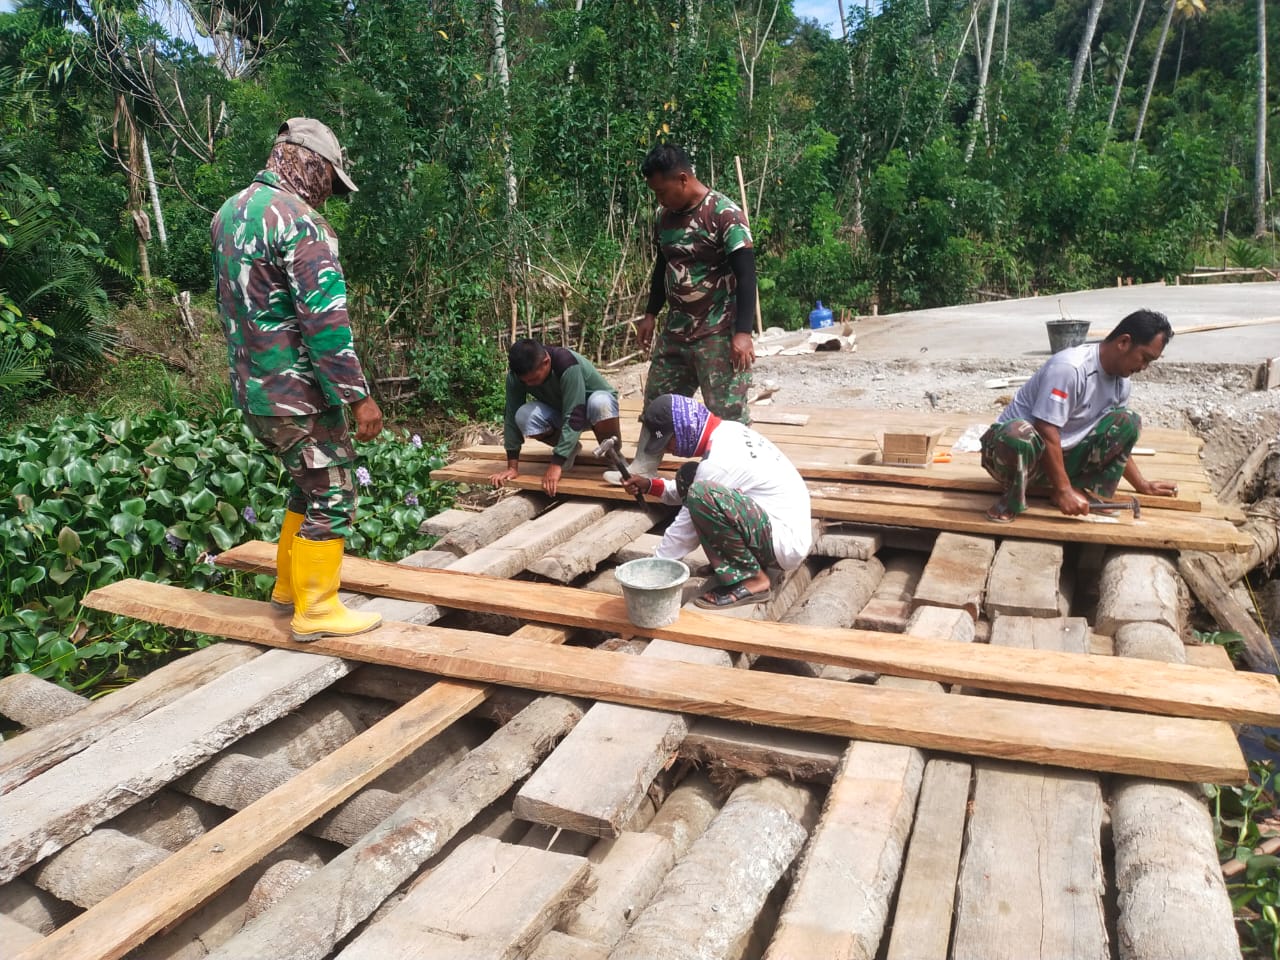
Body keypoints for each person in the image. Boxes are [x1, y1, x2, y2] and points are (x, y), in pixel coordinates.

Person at [211, 117, 383, 642]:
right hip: (298, 395)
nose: (328, 194)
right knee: (334, 493)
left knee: (307, 484)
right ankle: (318, 610)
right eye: (330, 179)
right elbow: (325, 325)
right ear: (311, 163)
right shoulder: (300, 222)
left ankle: (288, 592)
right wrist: (359, 399)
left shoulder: (230, 212)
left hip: (254, 390)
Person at [621, 144, 758, 480]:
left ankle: (740, 472)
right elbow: (661, 267)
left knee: (726, 409)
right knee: (658, 400)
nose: (658, 200)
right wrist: (651, 314)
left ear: (683, 179)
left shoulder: (724, 214)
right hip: (677, 330)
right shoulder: (663, 218)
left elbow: (746, 274)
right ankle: (644, 467)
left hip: (718, 330)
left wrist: (743, 333)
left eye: (662, 191)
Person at [980, 309, 1180, 523]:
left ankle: (1087, 493)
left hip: (1053, 462)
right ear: (1124, 342)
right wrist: (1064, 488)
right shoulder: (1070, 368)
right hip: (1011, 459)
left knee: (1128, 421)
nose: (1143, 367)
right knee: (1019, 434)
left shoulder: (1122, 382)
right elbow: (1045, 429)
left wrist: (1142, 484)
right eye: (1145, 358)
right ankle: (1012, 500)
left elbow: (1116, 440)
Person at [622, 394, 811, 609]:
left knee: (702, 495)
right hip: (777, 526)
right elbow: (697, 485)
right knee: (689, 475)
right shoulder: (727, 431)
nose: (667, 450)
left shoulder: (719, 462)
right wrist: (651, 486)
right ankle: (738, 562)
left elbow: (684, 530)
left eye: (668, 441)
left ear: (684, 428)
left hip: (784, 545)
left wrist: (653, 572)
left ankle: (753, 579)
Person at [489, 339, 622, 497]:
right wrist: (512, 467)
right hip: (563, 411)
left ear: (546, 362)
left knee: (600, 402)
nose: (530, 385)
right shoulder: (516, 376)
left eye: (533, 380)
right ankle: (570, 449)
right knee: (523, 416)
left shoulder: (566, 363)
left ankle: (614, 457)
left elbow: (574, 415)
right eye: (526, 382)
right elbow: (511, 416)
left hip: (593, 411)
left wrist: (556, 463)